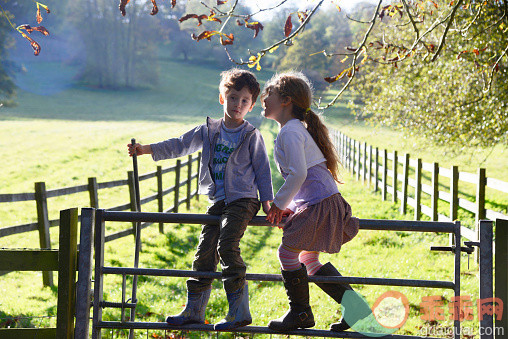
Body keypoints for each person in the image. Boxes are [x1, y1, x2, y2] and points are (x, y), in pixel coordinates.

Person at [128, 68, 274, 331]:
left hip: (243, 200)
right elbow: (179, 144)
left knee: (227, 245)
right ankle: (194, 310)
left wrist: (267, 202)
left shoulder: (251, 135)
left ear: (251, 106)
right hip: (218, 201)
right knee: (204, 253)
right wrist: (145, 149)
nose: (237, 105)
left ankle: (239, 310)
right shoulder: (208, 130)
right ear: (222, 98)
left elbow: (263, 170)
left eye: (244, 101)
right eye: (233, 98)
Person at [261, 71, 372, 332]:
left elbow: (299, 174)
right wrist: (293, 206)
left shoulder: (290, 132)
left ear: (286, 100)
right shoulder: (296, 129)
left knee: (286, 253)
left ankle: (300, 313)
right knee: (308, 259)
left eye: (270, 94)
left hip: (320, 204)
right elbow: (305, 176)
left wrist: (277, 204)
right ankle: (356, 311)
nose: (264, 99)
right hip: (322, 201)